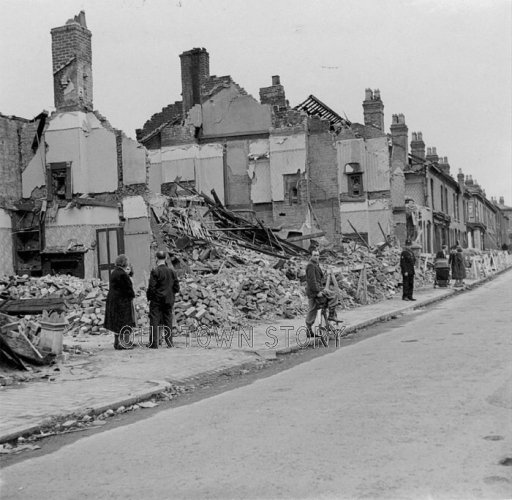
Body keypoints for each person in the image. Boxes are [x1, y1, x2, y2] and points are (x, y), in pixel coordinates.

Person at [146, 250, 180, 349]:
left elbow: (151, 287)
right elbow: (177, 287)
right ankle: (169, 342)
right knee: (168, 320)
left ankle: (154, 343)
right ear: (165, 258)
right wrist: (171, 294)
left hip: (157, 300)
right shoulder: (172, 272)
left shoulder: (155, 271)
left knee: (154, 320)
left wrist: (150, 297)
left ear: (156, 259)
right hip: (169, 300)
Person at [104, 254, 135, 350]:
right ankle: (125, 343)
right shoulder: (122, 274)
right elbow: (128, 288)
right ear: (124, 263)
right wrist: (132, 296)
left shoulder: (114, 272)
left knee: (116, 323)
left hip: (113, 300)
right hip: (122, 301)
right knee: (125, 321)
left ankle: (117, 343)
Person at [304, 249, 337, 337]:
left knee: (315, 308)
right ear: (311, 256)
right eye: (314, 255)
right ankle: (330, 317)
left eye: (318, 255)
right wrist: (318, 292)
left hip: (317, 289)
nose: (316, 257)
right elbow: (312, 281)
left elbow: (319, 278)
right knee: (313, 309)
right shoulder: (310, 265)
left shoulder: (315, 264)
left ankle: (329, 318)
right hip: (313, 291)